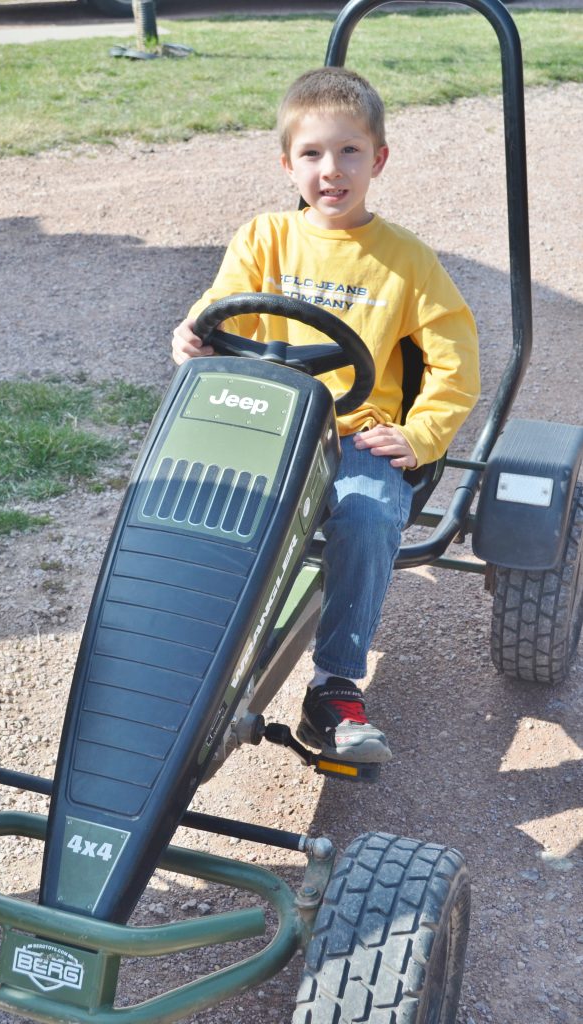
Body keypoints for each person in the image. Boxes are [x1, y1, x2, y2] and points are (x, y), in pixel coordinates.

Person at [172, 67, 480, 765]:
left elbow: (456, 360)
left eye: (349, 152)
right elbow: (218, 309)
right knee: (189, 500)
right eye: (312, 154)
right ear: (288, 164)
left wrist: (420, 434)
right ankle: (188, 653)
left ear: (379, 160)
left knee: (368, 516)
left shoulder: (406, 261)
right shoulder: (265, 239)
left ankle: (335, 684)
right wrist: (190, 333)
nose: (331, 170)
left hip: (357, 435)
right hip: (270, 424)